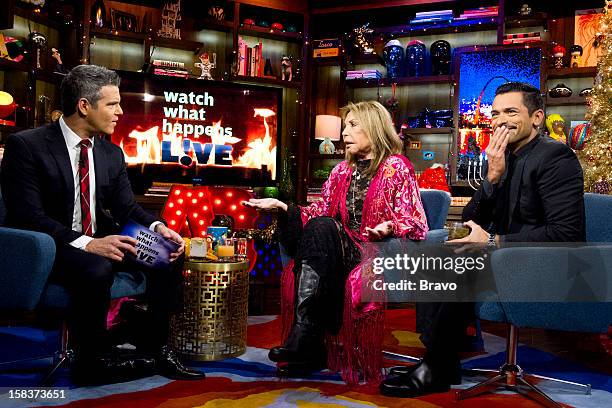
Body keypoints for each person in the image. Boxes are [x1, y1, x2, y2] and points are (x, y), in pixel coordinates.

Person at [0, 65, 205, 384]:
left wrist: (157, 228)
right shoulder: (27, 146)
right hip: (49, 245)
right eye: (112, 104)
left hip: (98, 239)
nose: (121, 112)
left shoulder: (110, 153)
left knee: (167, 254)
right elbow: (28, 215)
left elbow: (127, 207)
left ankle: (158, 347)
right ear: (84, 105)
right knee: (97, 267)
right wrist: (88, 244)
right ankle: (90, 362)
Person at [379, 82, 585, 397]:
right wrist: (492, 176)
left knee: (466, 256)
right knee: (440, 245)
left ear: (537, 117)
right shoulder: (502, 157)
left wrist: (494, 241)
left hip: (545, 263)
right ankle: (440, 357)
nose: (501, 120)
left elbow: (567, 234)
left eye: (511, 112)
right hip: (502, 256)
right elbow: (468, 220)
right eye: (496, 113)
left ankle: (436, 365)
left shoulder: (556, 158)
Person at [244, 101, 429, 384]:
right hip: (337, 250)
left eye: (353, 125)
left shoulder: (396, 167)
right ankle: (307, 334)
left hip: (375, 250)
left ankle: (307, 335)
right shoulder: (341, 171)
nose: (345, 133)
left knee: (323, 227)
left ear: (375, 128)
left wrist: (389, 226)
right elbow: (317, 212)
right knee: (321, 225)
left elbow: (416, 221)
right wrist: (283, 207)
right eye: (345, 126)